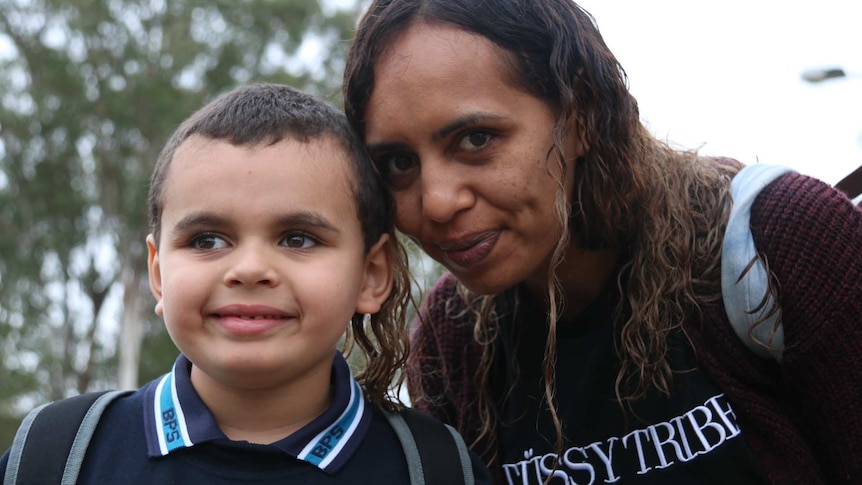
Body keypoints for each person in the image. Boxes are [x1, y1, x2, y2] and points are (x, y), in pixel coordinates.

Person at [342, 1, 862, 484]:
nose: (435, 202)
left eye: (476, 139)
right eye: (397, 164)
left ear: (581, 112)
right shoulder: (451, 340)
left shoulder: (775, 243)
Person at [1, 83, 491, 484]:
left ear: (372, 274)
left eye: (298, 238)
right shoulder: (56, 455)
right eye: (207, 240)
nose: (249, 268)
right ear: (157, 273)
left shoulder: (435, 468)